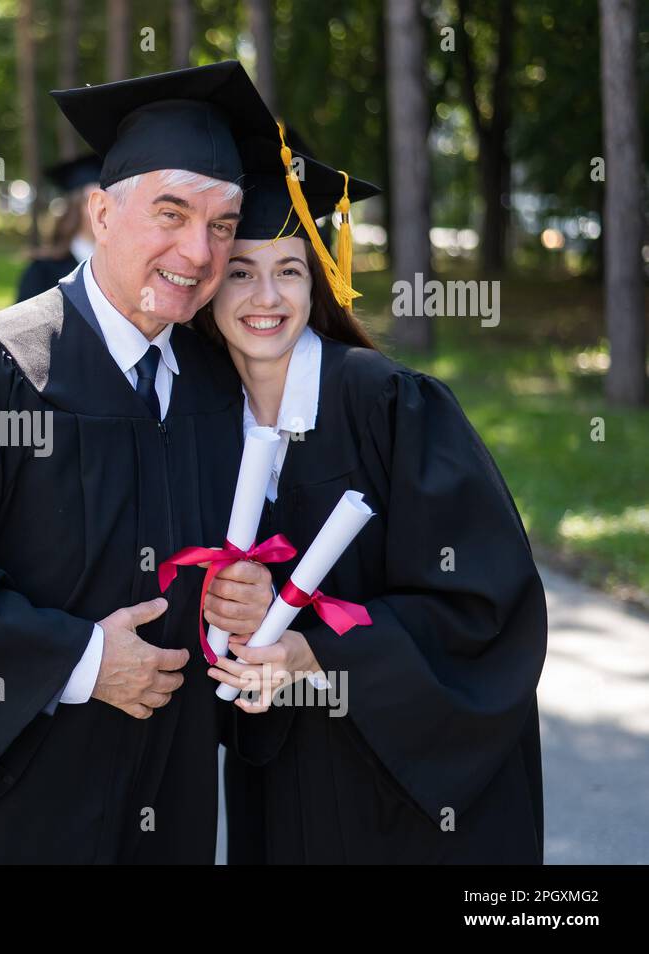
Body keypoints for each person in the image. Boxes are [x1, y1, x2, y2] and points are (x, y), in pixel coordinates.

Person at [0, 62, 283, 863]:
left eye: (224, 224)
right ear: (101, 212)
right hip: (9, 806)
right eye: (171, 213)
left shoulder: (218, 392)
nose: (199, 249)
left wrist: (249, 594)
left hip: (158, 792)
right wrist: (81, 660)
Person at [202, 142, 547, 863]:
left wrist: (320, 652)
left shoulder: (389, 403)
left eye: (289, 271)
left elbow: (485, 608)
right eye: (240, 272)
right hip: (281, 786)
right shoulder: (200, 424)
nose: (266, 298)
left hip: (403, 799)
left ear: (320, 282)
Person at [15, 153, 101, 302]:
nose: (102, 209)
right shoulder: (42, 272)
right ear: (75, 208)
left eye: (107, 200)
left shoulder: (123, 268)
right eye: (92, 201)